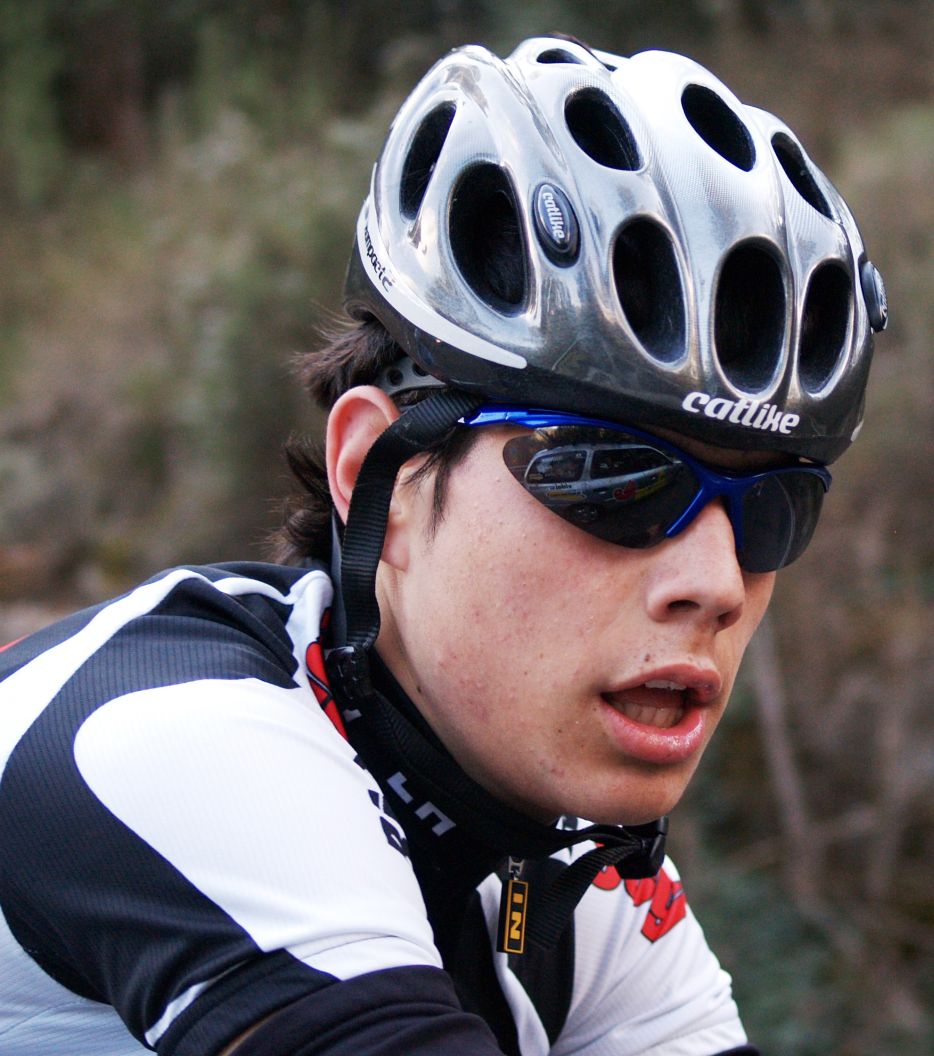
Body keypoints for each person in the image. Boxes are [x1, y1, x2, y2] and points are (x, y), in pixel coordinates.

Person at [0, 34, 887, 1056]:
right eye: (613, 482)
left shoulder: (569, 863)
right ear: (378, 476)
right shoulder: (172, 739)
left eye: (774, 509)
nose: (718, 582)